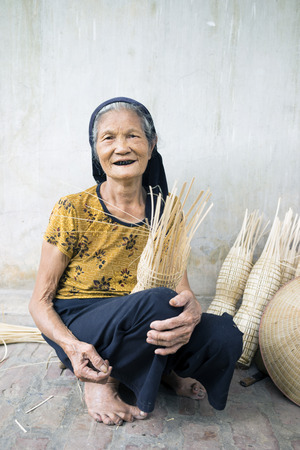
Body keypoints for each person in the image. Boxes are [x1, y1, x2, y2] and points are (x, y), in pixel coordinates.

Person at [29, 97, 243, 426]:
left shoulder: (165, 211)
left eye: (132, 136)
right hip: (84, 322)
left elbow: (180, 291)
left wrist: (191, 314)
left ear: (151, 144)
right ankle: (99, 380)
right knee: (158, 303)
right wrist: (71, 347)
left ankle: (159, 370)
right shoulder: (72, 208)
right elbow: (39, 302)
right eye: (109, 138)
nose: (121, 147)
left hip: (144, 316)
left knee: (223, 335)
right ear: (95, 150)